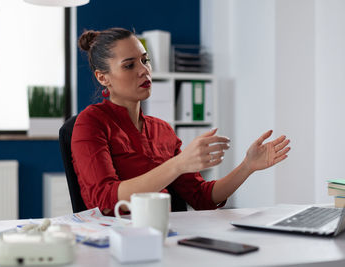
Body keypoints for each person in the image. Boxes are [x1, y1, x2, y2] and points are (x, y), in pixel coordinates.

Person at [71, 27, 290, 216]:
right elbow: (104, 200)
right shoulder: (91, 122)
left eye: (145, 60)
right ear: (103, 77)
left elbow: (201, 198)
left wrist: (247, 166)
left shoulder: (162, 130)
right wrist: (178, 164)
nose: (144, 70)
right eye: (129, 65)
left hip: (165, 233)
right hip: (118, 240)